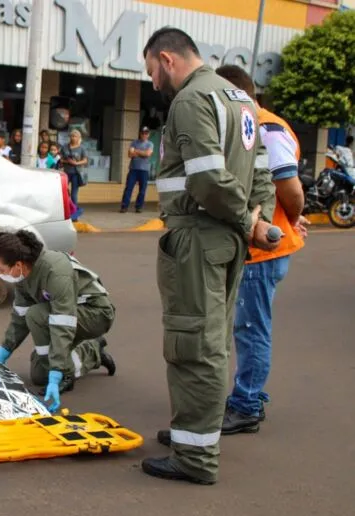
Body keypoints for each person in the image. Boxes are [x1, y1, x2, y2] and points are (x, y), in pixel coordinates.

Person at [140, 27, 279, 486]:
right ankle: (192, 434)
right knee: (211, 341)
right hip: (226, 241)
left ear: (168, 58)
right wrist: (259, 222)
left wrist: (245, 220)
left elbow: (207, 180)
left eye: (152, 71)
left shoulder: (191, 100)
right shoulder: (240, 99)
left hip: (199, 237)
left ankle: (195, 458)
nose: (154, 82)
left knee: (193, 345)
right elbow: (261, 170)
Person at [212, 65, 309, 434]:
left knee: (251, 328)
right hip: (258, 246)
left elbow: (290, 186)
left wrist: (291, 216)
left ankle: (247, 404)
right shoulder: (253, 125)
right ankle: (246, 397)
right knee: (247, 326)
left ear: (235, 94)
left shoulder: (265, 129)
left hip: (264, 251)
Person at [0, 230, 117, 412]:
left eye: (1, 269)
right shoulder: (23, 276)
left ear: (18, 264)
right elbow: (19, 317)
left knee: (36, 315)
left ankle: (65, 372)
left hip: (95, 313)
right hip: (64, 316)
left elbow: (62, 324)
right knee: (39, 375)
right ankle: (92, 351)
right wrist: (2, 355)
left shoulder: (56, 272)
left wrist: (57, 373)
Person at [120, 127, 154, 213]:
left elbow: (147, 154)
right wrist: (141, 153)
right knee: (129, 188)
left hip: (144, 170)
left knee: (142, 190)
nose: (144, 135)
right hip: (133, 169)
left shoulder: (150, 144)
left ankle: (139, 207)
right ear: (140, 133)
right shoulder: (134, 142)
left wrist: (136, 151)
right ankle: (124, 206)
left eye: (146, 133)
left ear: (148, 134)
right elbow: (130, 155)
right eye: (143, 133)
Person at [61, 130, 89, 221]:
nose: (73, 138)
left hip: (77, 173)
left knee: (74, 194)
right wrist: (67, 161)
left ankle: (74, 215)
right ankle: (63, 213)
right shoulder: (65, 147)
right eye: (72, 136)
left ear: (79, 138)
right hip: (66, 173)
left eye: (75, 136)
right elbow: (60, 159)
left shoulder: (82, 148)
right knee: (63, 192)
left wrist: (76, 163)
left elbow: (85, 160)